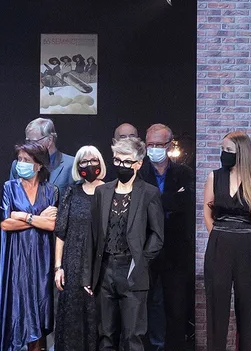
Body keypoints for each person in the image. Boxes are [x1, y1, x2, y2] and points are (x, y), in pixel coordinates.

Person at [92, 138, 164, 351]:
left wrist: (140, 262)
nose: (121, 166)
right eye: (117, 160)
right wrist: (91, 274)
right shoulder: (102, 192)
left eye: (126, 162)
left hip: (131, 269)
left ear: (138, 164)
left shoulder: (149, 193)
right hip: (105, 269)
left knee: (134, 336)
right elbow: (93, 234)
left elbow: (157, 235)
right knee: (105, 335)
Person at [206, 131, 251, 351]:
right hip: (220, 244)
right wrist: (217, 236)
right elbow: (207, 213)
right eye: (222, 149)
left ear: (241, 153)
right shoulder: (214, 177)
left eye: (228, 150)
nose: (223, 154)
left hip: (248, 247)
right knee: (217, 307)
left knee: (248, 309)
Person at [0, 142, 59, 351]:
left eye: (27, 160)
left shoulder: (50, 190)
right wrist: (37, 219)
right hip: (16, 256)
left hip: (42, 258)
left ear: (39, 165)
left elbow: (51, 224)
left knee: (41, 304)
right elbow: (6, 224)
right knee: (18, 306)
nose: (21, 164)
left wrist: (24, 215)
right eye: (19, 160)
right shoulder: (10, 187)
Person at [143, 124, 197, 351]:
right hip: (146, 249)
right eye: (150, 145)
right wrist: (171, 199)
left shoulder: (185, 173)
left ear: (169, 145)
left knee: (176, 307)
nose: (154, 149)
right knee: (146, 306)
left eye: (159, 144)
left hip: (177, 251)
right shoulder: (139, 173)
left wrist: (155, 200)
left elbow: (186, 205)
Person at [55, 147, 108, 351]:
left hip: (100, 263)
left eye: (93, 160)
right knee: (72, 318)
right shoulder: (71, 191)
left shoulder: (110, 190)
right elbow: (61, 232)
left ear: (100, 163)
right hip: (73, 262)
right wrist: (58, 267)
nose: (89, 165)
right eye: (83, 162)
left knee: (98, 316)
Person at [11, 118, 77, 194]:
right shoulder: (19, 165)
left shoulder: (72, 165)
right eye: (27, 141)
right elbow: (12, 197)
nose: (29, 145)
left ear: (49, 141)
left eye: (33, 141)